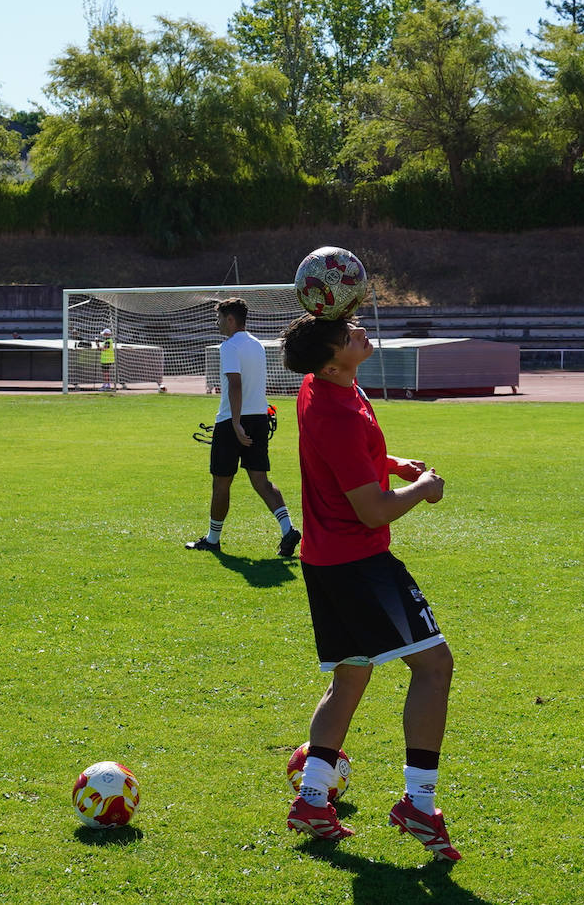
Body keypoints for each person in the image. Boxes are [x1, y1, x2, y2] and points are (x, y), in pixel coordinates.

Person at [277, 313, 460, 861]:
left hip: (325, 562)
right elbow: (372, 507)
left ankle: (312, 799)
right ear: (332, 360)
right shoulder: (335, 410)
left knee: (350, 677)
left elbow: (349, 462)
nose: (360, 332)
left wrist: (393, 461)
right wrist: (423, 489)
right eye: (348, 335)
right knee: (435, 666)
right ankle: (419, 805)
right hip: (360, 566)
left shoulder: (318, 383)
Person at [185, 299, 301, 557]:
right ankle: (288, 529)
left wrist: (236, 423)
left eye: (219, 319)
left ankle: (213, 539)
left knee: (221, 483)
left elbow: (235, 385)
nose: (217, 324)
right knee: (261, 481)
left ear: (230, 320)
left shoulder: (229, 347)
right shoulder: (257, 345)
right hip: (259, 418)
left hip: (232, 421)